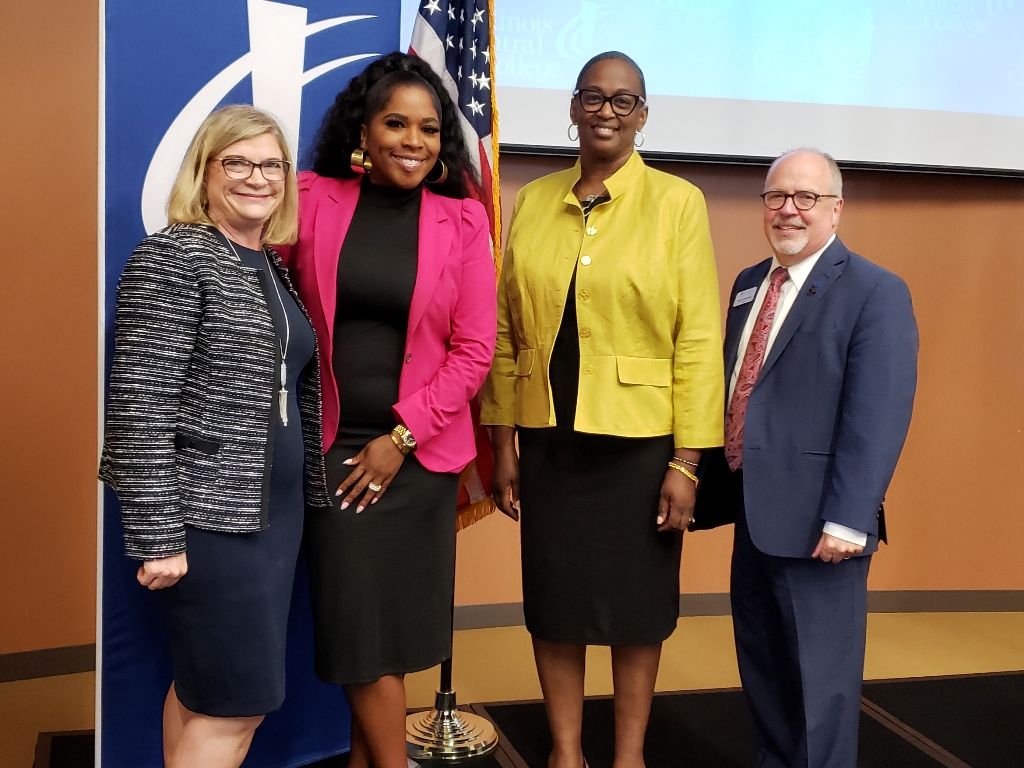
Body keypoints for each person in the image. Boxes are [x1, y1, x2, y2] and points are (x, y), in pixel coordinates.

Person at [480, 52, 725, 768]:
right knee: (554, 603)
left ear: (642, 116)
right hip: (548, 441)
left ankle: (628, 755)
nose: (606, 111)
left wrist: (688, 461)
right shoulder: (533, 200)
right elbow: (506, 329)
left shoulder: (677, 203)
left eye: (623, 100)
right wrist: (502, 444)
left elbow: (697, 339)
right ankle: (564, 751)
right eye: (593, 96)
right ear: (573, 107)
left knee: (636, 609)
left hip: (642, 447)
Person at [274, 52, 497, 768]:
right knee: (360, 636)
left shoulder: (463, 220)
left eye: (429, 129)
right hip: (334, 448)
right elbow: (259, 294)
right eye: (396, 123)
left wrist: (402, 438)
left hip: (418, 456)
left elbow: (475, 349)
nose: (414, 141)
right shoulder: (310, 198)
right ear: (363, 131)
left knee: (389, 637)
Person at [99, 105, 329, 768]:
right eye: (238, 162)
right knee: (234, 704)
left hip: (272, 521)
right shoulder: (175, 256)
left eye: (272, 165)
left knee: (206, 691)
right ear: (203, 172)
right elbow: (139, 406)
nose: (258, 178)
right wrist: (159, 537)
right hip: (211, 524)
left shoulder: (268, 264)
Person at [694, 149, 918, 768]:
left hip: (824, 526)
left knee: (822, 691)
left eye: (806, 197)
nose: (788, 210)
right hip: (753, 515)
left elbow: (878, 415)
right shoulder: (749, 284)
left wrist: (849, 518)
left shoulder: (875, 291)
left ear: (836, 208)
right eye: (776, 196)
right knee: (764, 676)